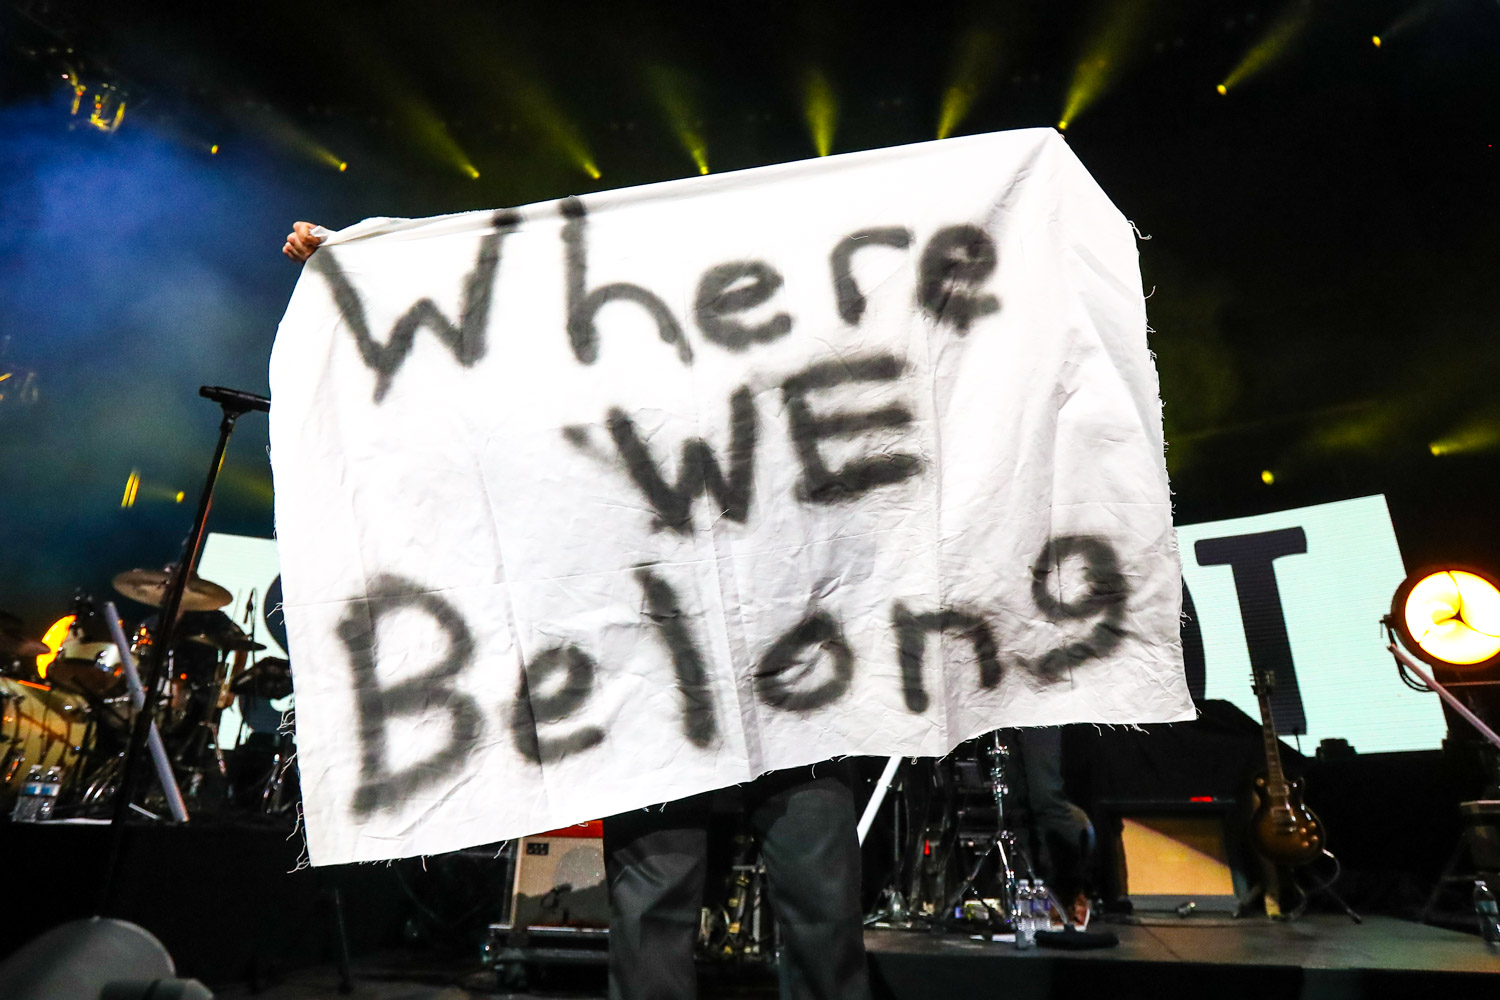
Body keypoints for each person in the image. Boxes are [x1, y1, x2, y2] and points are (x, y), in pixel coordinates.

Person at [282, 221, 872, 1000]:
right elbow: (503, 302)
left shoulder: (785, 379)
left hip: (794, 692)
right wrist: (367, 257)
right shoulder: (606, 396)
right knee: (652, 914)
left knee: (822, 918)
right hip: (662, 697)